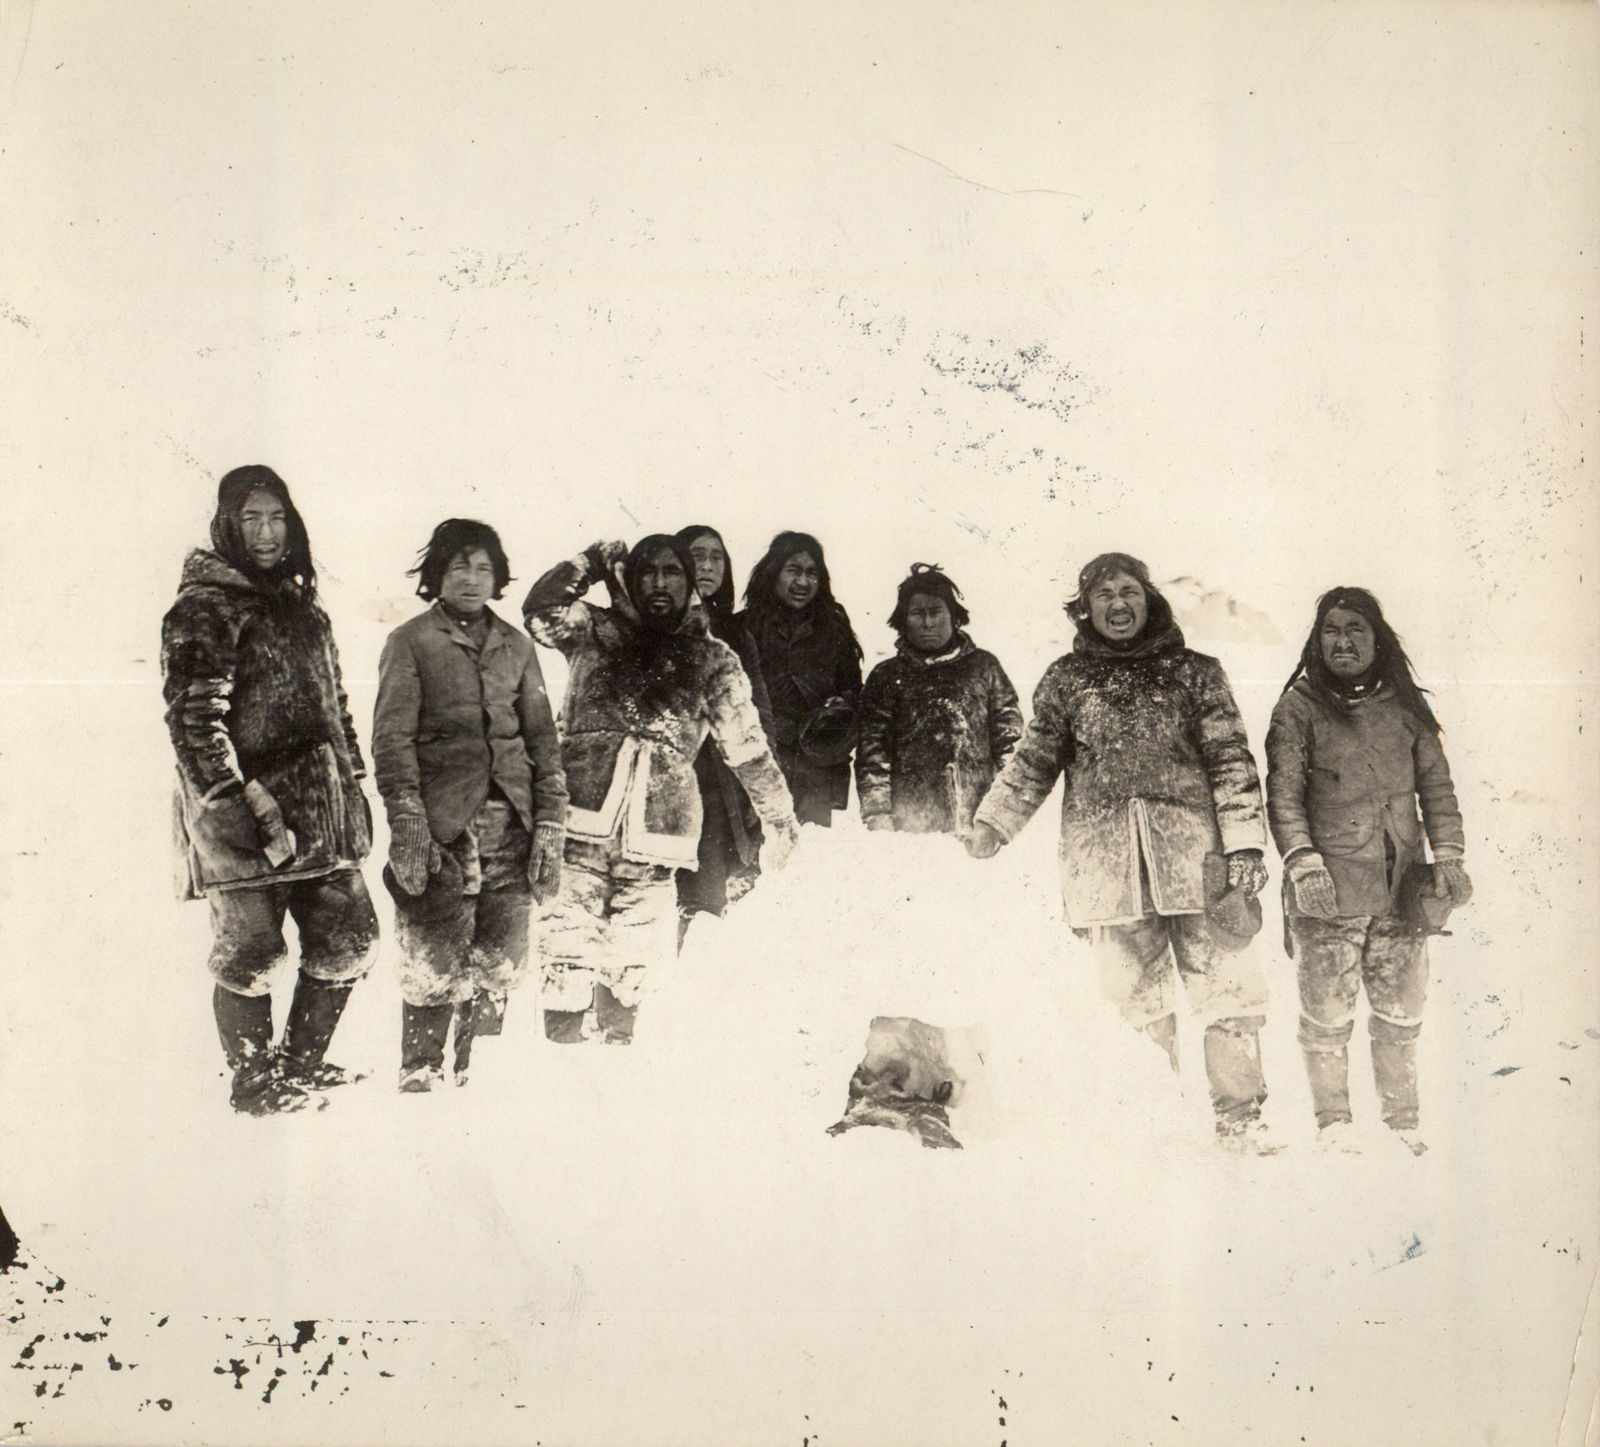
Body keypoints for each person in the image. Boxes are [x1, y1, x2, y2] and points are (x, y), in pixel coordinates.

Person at [966, 552, 1279, 1153]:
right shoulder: (1065, 680)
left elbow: (1231, 759)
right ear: (1085, 608)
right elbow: (1033, 760)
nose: (1117, 604)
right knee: (1133, 1003)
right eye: (1104, 594)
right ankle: (1156, 1122)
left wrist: (1243, 844)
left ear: (1149, 599)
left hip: (1199, 865)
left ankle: (1241, 1120)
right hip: (1105, 871)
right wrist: (994, 824)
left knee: (1229, 990)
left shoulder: (1196, 672)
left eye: (1128, 592)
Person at [161, 465, 378, 1115]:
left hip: (320, 807)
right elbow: (194, 716)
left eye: (276, 516)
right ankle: (255, 1080)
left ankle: (301, 1065)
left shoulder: (305, 606)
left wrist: (354, 779)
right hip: (246, 812)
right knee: (252, 950)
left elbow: (336, 705)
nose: (265, 531)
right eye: (250, 518)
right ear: (227, 524)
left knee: (350, 937)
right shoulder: (206, 605)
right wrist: (234, 800)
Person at [523, 535, 801, 1042]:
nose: (658, 583)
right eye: (646, 571)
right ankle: (560, 1068)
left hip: (656, 839)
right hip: (579, 829)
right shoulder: (593, 632)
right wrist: (587, 562)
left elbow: (748, 749)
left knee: (631, 970)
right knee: (565, 960)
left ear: (689, 582)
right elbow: (541, 609)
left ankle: (618, 1060)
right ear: (627, 577)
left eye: (672, 572)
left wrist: (779, 819)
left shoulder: (713, 660)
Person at [1265, 586, 1471, 1156]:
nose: (1344, 641)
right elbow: (1282, 796)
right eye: (1332, 630)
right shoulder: (1297, 709)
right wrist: (1303, 864)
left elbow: (1437, 789)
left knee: (1401, 1010)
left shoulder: (1406, 709)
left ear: (1377, 639)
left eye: (1356, 630)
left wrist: (1448, 854)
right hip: (1327, 892)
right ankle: (1335, 1124)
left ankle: (1402, 1122)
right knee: (1326, 1013)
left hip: (1402, 888)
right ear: (1317, 641)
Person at [371, 520, 568, 1092]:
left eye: (485, 568)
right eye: (460, 566)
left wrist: (550, 823)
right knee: (433, 950)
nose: (473, 579)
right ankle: (422, 1066)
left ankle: (478, 1068)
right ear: (437, 574)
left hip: (513, 821)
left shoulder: (518, 645)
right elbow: (392, 739)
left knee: (502, 955)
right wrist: (407, 819)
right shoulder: (409, 642)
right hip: (441, 824)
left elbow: (542, 740)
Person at [855, 564, 1024, 836]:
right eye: (917, 613)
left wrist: (1007, 812)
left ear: (954, 616)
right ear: (902, 621)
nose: (928, 622)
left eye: (936, 612)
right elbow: (873, 754)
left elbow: (1011, 743)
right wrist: (878, 816)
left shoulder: (984, 668)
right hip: (910, 826)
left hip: (978, 822)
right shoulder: (886, 676)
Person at [672, 525, 777, 944]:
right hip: (662, 784)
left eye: (717, 558)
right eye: (698, 556)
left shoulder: (735, 635)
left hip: (717, 790)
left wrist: (762, 790)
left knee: (704, 905)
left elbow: (759, 714)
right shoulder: (652, 627)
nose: (708, 566)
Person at [735, 531, 863, 827]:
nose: (803, 582)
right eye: (793, 570)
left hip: (815, 768)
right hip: (760, 763)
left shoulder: (833, 629)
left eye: (811, 573)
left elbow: (854, 689)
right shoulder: (744, 627)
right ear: (773, 573)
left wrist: (841, 704)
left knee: (808, 860)